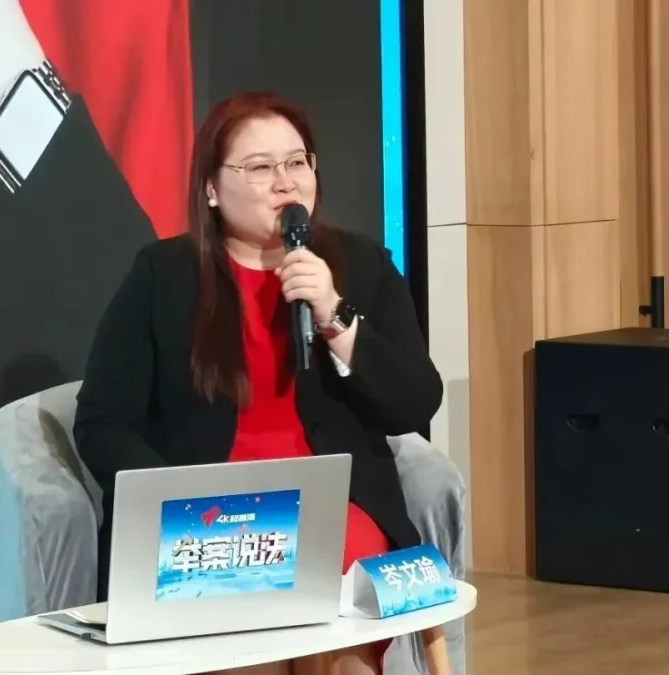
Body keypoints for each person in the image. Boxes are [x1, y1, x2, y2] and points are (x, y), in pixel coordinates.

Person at [74, 92, 451, 675]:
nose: (285, 182)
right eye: (259, 167)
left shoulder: (361, 266)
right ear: (211, 188)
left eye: (297, 162)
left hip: (335, 510)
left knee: (338, 628)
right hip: (209, 523)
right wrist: (175, 504)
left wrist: (336, 317)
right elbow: (101, 423)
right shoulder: (163, 276)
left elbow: (415, 404)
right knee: (244, 640)